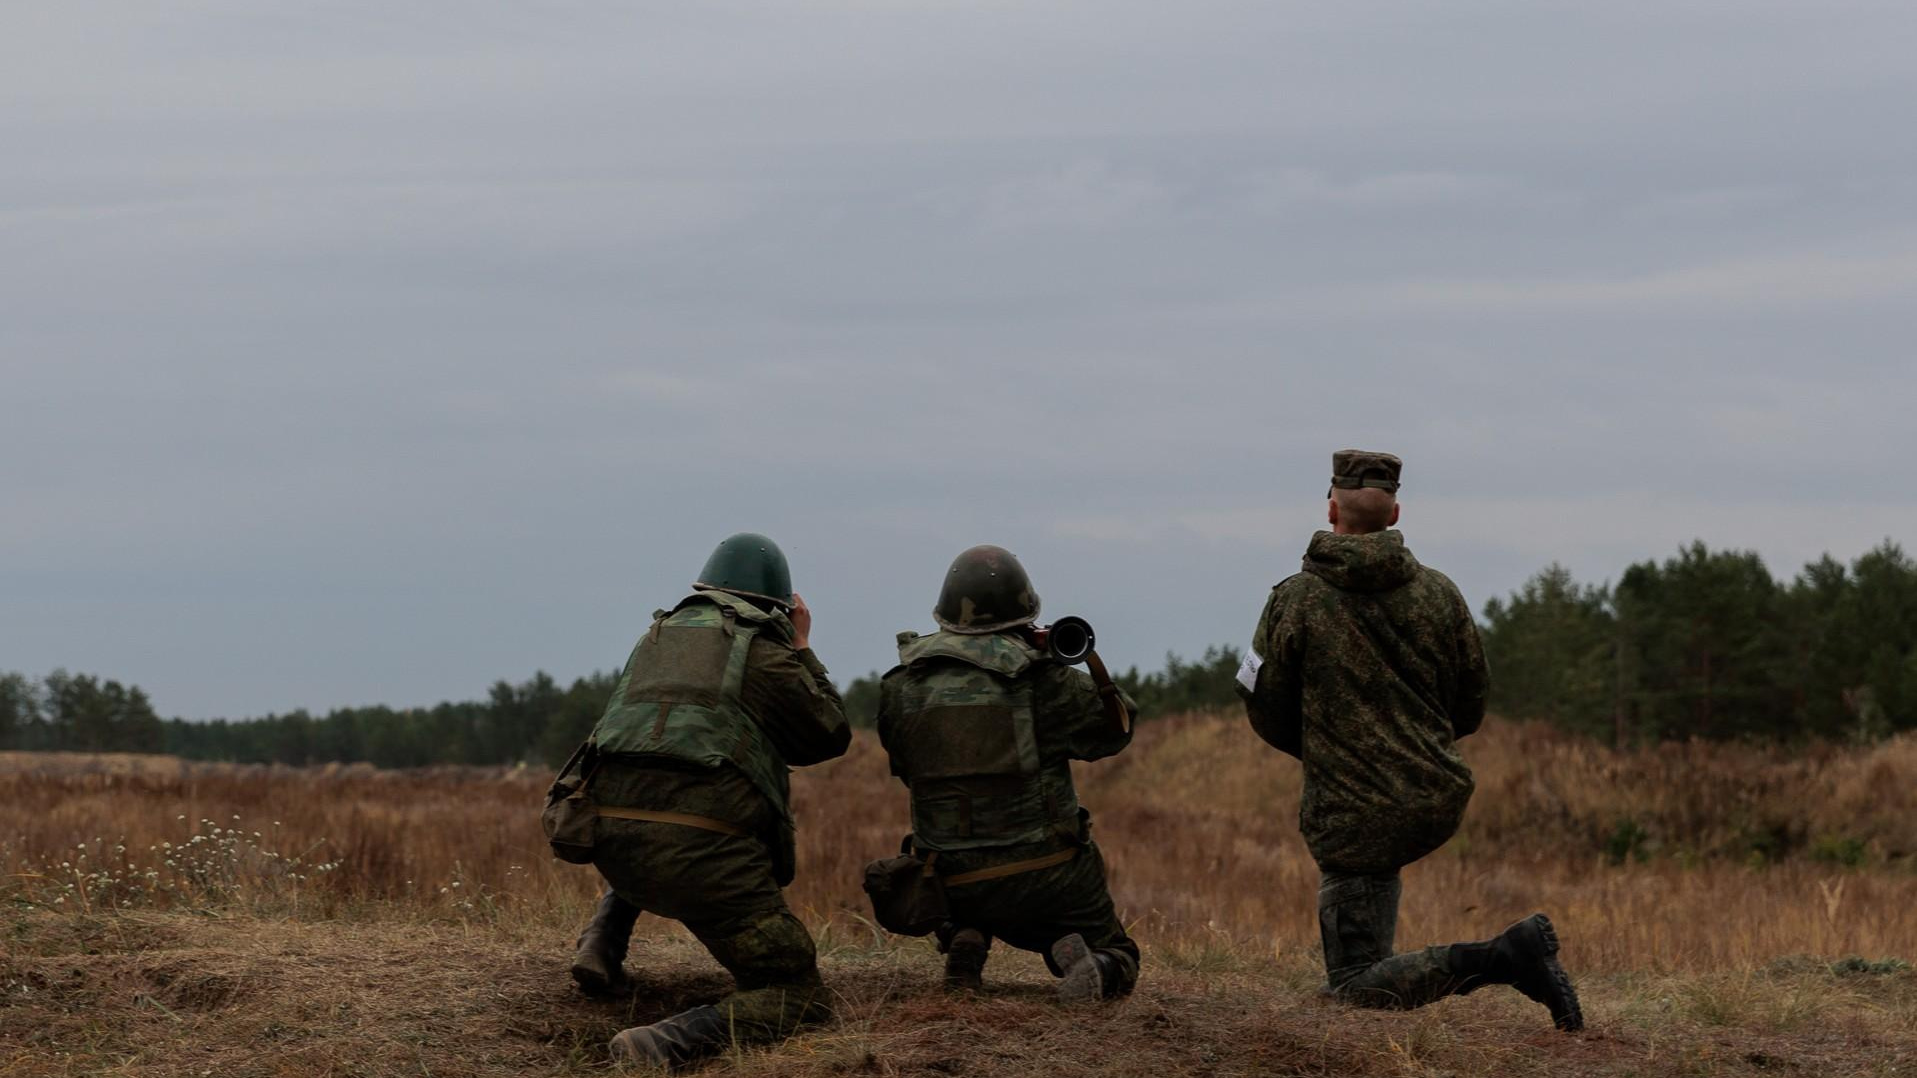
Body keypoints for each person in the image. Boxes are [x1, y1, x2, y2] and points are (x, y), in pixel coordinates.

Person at [1238, 451, 1583, 1031]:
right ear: (1395, 513)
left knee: (1352, 986)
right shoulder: (1440, 595)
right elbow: (1471, 700)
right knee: (1367, 939)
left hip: (1349, 809)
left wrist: (1327, 751)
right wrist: (1417, 747)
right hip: (1432, 793)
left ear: (1331, 507)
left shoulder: (1294, 599)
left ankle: (1507, 957)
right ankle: (1442, 963)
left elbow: (1262, 701)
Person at [562, 532, 852, 1069]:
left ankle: (602, 937)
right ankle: (665, 1040)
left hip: (610, 844)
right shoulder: (764, 653)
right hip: (700, 862)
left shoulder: (654, 638)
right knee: (797, 989)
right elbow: (830, 733)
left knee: (652, 803)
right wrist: (803, 649)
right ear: (778, 608)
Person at [874, 544, 1141, 1002]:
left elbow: (905, 767)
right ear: (1025, 612)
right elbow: (1116, 729)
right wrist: (1055, 659)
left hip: (947, 877)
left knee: (966, 883)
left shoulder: (901, 686)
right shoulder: (1042, 680)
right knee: (1120, 952)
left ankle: (964, 934)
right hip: (1045, 875)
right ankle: (1087, 959)